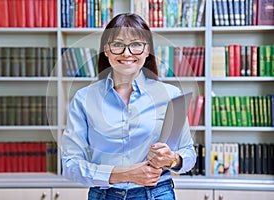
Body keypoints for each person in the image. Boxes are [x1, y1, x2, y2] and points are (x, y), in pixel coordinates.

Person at [62, 13, 196, 200]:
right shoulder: (84, 99)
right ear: (106, 50)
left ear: (147, 50)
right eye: (118, 44)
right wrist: (123, 174)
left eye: (136, 45)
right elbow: (69, 164)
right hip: (104, 195)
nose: (127, 53)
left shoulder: (170, 95)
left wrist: (172, 158)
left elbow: (188, 154)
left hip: (157, 194)